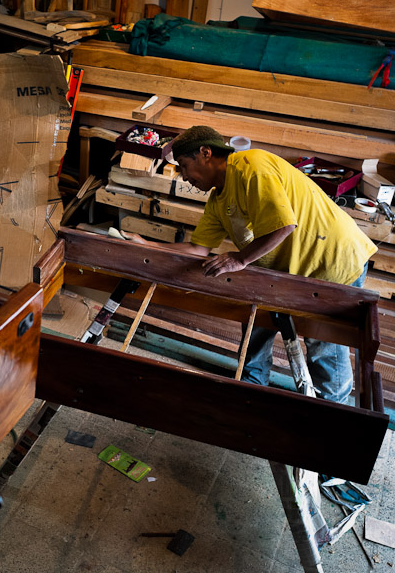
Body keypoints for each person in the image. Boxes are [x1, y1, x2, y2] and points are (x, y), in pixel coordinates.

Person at [125, 125, 377, 404]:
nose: (184, 177)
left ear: (206, 153)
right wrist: (147, 246)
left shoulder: (251, 166)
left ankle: (334, 413)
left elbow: (284, 225)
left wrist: (240, 259)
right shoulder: (218, 201)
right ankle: (252, 393)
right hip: (285, 270)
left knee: (323, 344)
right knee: (256, 321)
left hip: (331, 261)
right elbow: (198, 249)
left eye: (184, 166)